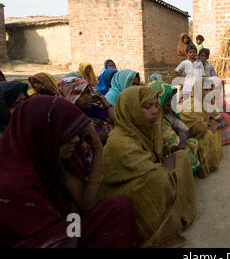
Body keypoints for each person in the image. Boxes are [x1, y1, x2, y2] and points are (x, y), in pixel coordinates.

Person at [0, 96, 138, 248]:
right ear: (42, 134)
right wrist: (74, 222)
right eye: (67, 133)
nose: (77, 140)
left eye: (77, 133)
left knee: (120, 206)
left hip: (68, 228)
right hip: (54, 238)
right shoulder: (12, 183)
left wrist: (98, 149)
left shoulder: (53, 161)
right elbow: (59, 240)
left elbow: (86, 203)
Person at [99, 86, 197, 247]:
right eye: (147, 106)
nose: (154, 111)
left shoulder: (146, 129)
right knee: (158, 180)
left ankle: (180, 211)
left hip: (146, 173)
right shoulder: (121, 142)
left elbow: (163, 152)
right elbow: (150, 171)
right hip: (125, 192)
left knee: (182, 156)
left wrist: (166, 166)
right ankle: (157, 226)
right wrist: (166, 170)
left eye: (155, 105)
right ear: (131, 110)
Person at [148, 80, 202, 175]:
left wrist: (181, 132)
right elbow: (178, 145)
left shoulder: (169, 115)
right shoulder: (158, 120)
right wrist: (181, 133)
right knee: (185, 151)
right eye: (167, 99)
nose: (170, 102)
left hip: (170, 148)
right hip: (161, 155)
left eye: (172, 98)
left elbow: (188, 131)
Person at [180, 78, 224, 177]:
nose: (208, 92)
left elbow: (222, 119)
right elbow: (197, 128)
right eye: (205, 89)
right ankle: (203, 168)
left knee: (214, 130)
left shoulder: (207, 101)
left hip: (200, 128)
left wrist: (217, 124)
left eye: (210, 90)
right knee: (207, 136)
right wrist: (207, 123)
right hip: (189, 133)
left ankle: (211, 164)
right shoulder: (192, 103)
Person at [57, 77, 114, 144]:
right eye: (81, 94)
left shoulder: (89, 108)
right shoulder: (68, 119)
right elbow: (102, 135)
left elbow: (113, 119)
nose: (88, 97)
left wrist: (102, 99)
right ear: (69, 96)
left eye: (88, 92)